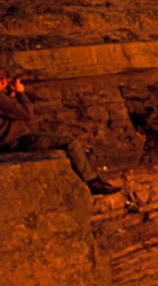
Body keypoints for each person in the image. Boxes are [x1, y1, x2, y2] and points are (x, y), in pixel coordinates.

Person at [0, 67, 119, 195]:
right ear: (3, 81)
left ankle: (93, 180)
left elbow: (10, 112)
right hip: (16, 141)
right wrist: (21, 93)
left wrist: (11, 96)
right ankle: (92, 182)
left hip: (10, 141)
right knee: (71, 143)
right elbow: (27, 113)